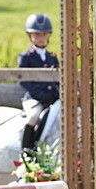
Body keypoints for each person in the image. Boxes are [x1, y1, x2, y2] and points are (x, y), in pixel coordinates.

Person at [17, 13, 60, 153]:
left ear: (48, 35)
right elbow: (24, 81)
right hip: (34, 99)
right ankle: (27, 150)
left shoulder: (52, 57)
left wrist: (57, 94)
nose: (41, 38)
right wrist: (41, 95)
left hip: (52, 99)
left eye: (44, 34)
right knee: (33, 116)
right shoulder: (26, 57)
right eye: (37, 35)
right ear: (30, 36)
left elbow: (58, 79)